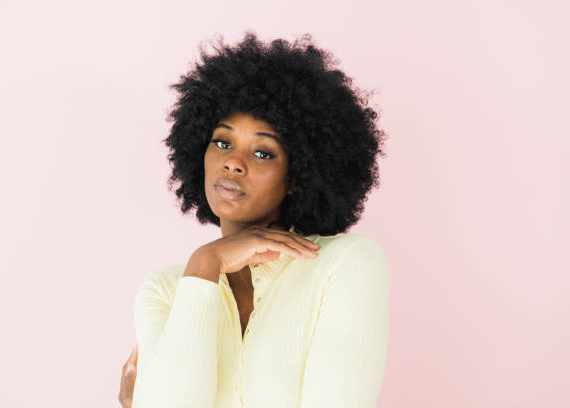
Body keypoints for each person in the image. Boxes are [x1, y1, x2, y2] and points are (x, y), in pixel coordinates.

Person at [118, 31, 390, 408]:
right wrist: (205, 263)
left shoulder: (345, 264)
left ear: (298, 176)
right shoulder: (165, 289)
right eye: (222, 143)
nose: (233, 162)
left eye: (263, 153)